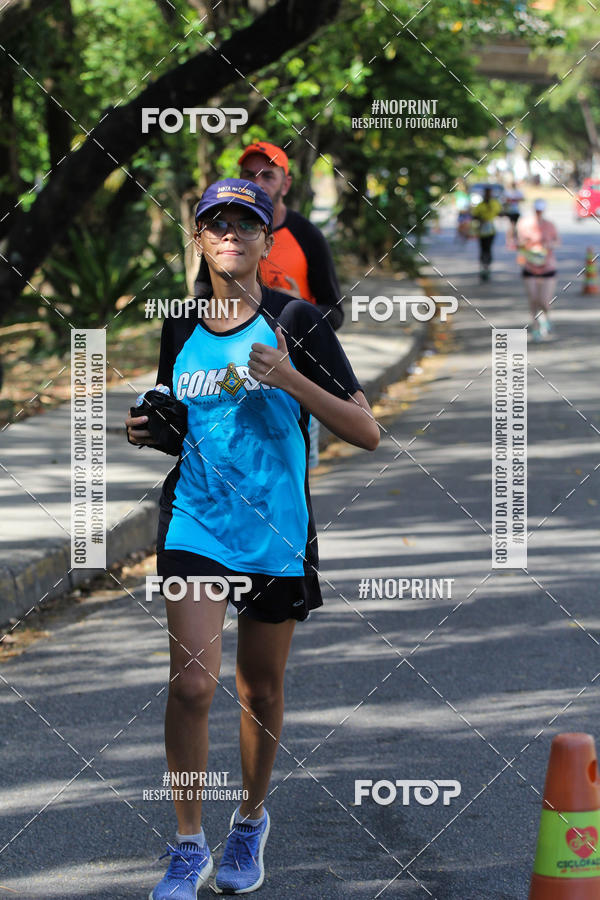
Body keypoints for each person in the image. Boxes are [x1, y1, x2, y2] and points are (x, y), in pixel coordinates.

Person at [126, 178, 379, 899]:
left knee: (259, 689)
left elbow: (365, 430)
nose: (231, 233)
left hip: (276, 528)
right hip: (196, 520)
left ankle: (250, 821)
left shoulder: (296, 320)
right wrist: (145, 430)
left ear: (268, 240)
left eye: (246, 222)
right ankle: (185, 844)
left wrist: (294, 380)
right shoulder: (180, 322)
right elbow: (176, 416)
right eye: (217, 222)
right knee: (193, 683)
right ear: (200, 238)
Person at [237, 141, 344, 469]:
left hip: (294, 380)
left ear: (286, 183)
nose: (257, 184)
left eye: (267, 176)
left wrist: (297, 310)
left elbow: (334, 311)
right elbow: (203, 300)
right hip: (233, 375)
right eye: (248, 175)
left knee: (294, 474)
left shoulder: (307, 235)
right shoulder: (226, 236)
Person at [516, 198, 559, 341]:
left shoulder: (549, 225)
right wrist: (524, 243)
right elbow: (516, 242)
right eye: (537, 210)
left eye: (541, 210)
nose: (539, 212)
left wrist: (549, 244)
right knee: (533, 299)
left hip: (548, 266)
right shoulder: (524, 223)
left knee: (545, 301)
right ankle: (535, 327)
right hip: (530, 266)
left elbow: (557, 241)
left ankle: (545, 319)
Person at [472, 187, 502, 281]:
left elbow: (499, 212)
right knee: (483, 249)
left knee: (488, 249)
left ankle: (487, 267)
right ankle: (483, 267)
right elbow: (474, 215)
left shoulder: (494, 203)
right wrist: (481, 219)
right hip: (482, 230)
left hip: (490, 230)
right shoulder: (480, 205)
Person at [504, 180, 525, 245]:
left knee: (515, 225)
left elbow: (522, 199)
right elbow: (505, 200)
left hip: (516, 211)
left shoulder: (518, 192)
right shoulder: (508, 192)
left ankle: (514, 239)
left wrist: (515, 199)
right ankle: (510, 239)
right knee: (512, 225)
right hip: (510, 211)